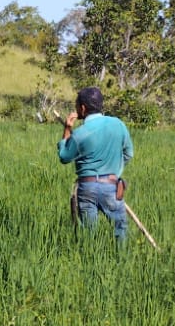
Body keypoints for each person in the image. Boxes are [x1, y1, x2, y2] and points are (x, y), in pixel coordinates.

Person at [57, 85, 133, 243]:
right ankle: (122, 259)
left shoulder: (79, 135)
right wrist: (114, 173)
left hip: (87, 188)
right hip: (111, 186)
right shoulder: (118, 124)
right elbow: (128, 153)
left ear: (82, 108)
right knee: (120, 229)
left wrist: (67, 129)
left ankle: (88, 260)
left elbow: (64, 156)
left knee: (88, 235)